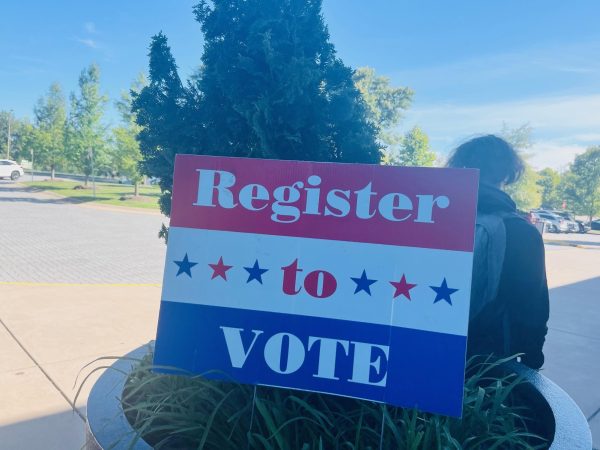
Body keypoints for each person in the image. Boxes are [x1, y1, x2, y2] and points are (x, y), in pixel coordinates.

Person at [447, 135, 549, 369]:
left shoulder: (433, 220)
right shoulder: (521, 232)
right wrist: (531, 360)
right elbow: (533, 307)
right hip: (488, 365)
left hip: (427, 350)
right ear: (507, 173)